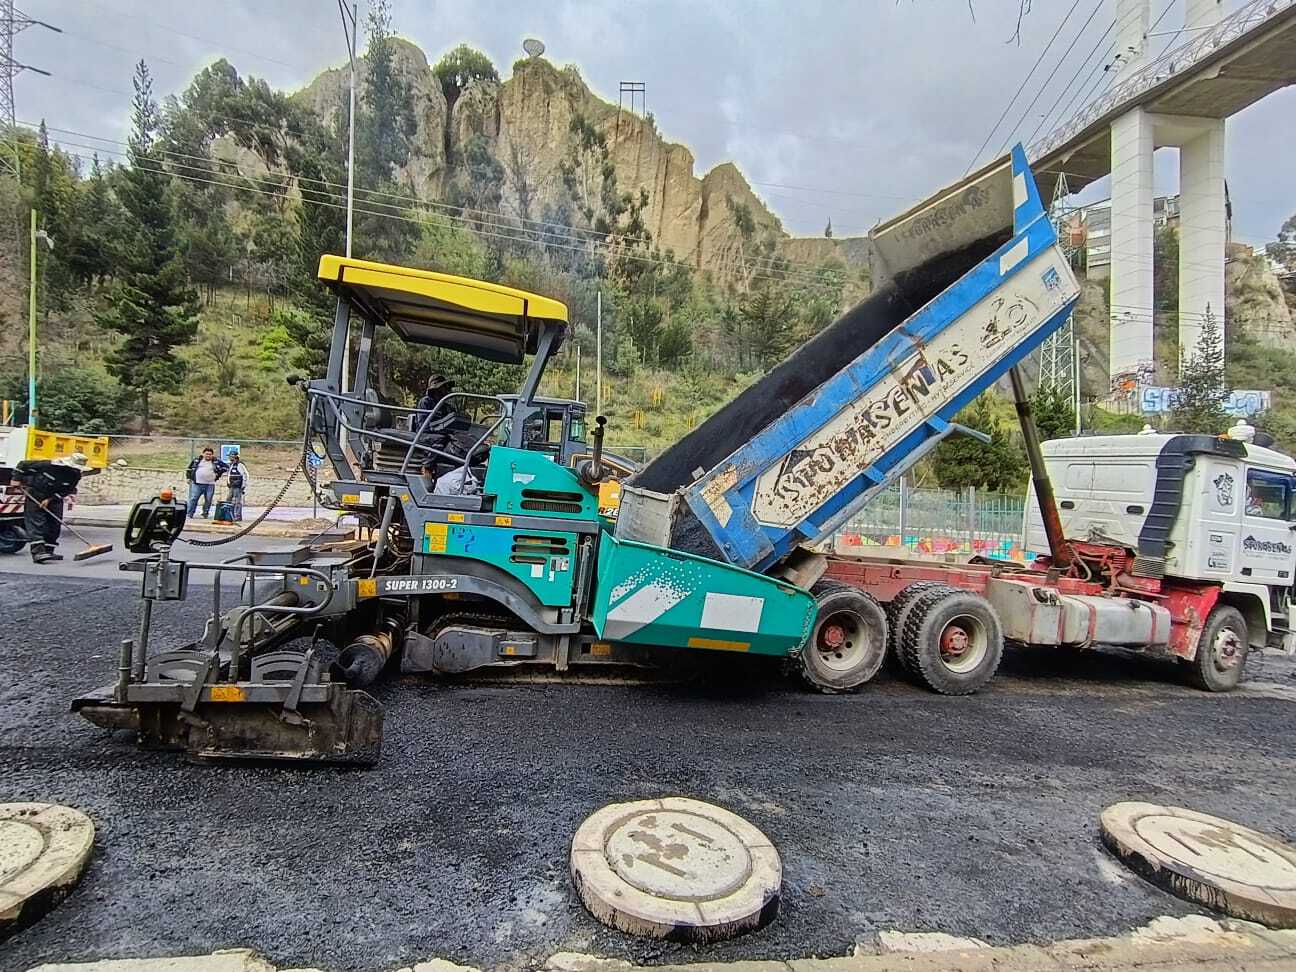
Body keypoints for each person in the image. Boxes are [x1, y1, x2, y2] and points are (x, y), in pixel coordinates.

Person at [14, 452, 88, 564]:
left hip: (54, 498)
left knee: (54, 524)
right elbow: (22, 464)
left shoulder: (75, 475)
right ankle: (38, 553)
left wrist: (50, 499)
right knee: (37, 523)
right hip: (36, 494)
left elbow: (67, 490)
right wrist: (16, 479)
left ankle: (49, 551)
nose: (74, 469)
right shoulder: (48, 465)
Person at [185, 446, 228, 518]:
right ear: (203, 454)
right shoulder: (197, 460)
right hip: (197, 483)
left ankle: (205, 513)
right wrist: (188, 478)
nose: (208, 456)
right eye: (206, 454)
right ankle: (190, 513)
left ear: (212, 455)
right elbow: (189, 469)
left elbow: (226, 467)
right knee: (193, 498)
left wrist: (219, 472)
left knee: (208, 499)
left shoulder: (216, 461)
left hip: (210, 484)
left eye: (210, 454)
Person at [225, 449, 250, 522]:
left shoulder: (240, 464)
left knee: (237, 501)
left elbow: (245, 475)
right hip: (232, 486)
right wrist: (228, 482)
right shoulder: (231, 464)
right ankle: (229, 515)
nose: (230, 458)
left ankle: (237, 516)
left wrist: (243, 485)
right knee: (228, 500)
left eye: (231, 456)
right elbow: (229, 474)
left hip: (238, 486)